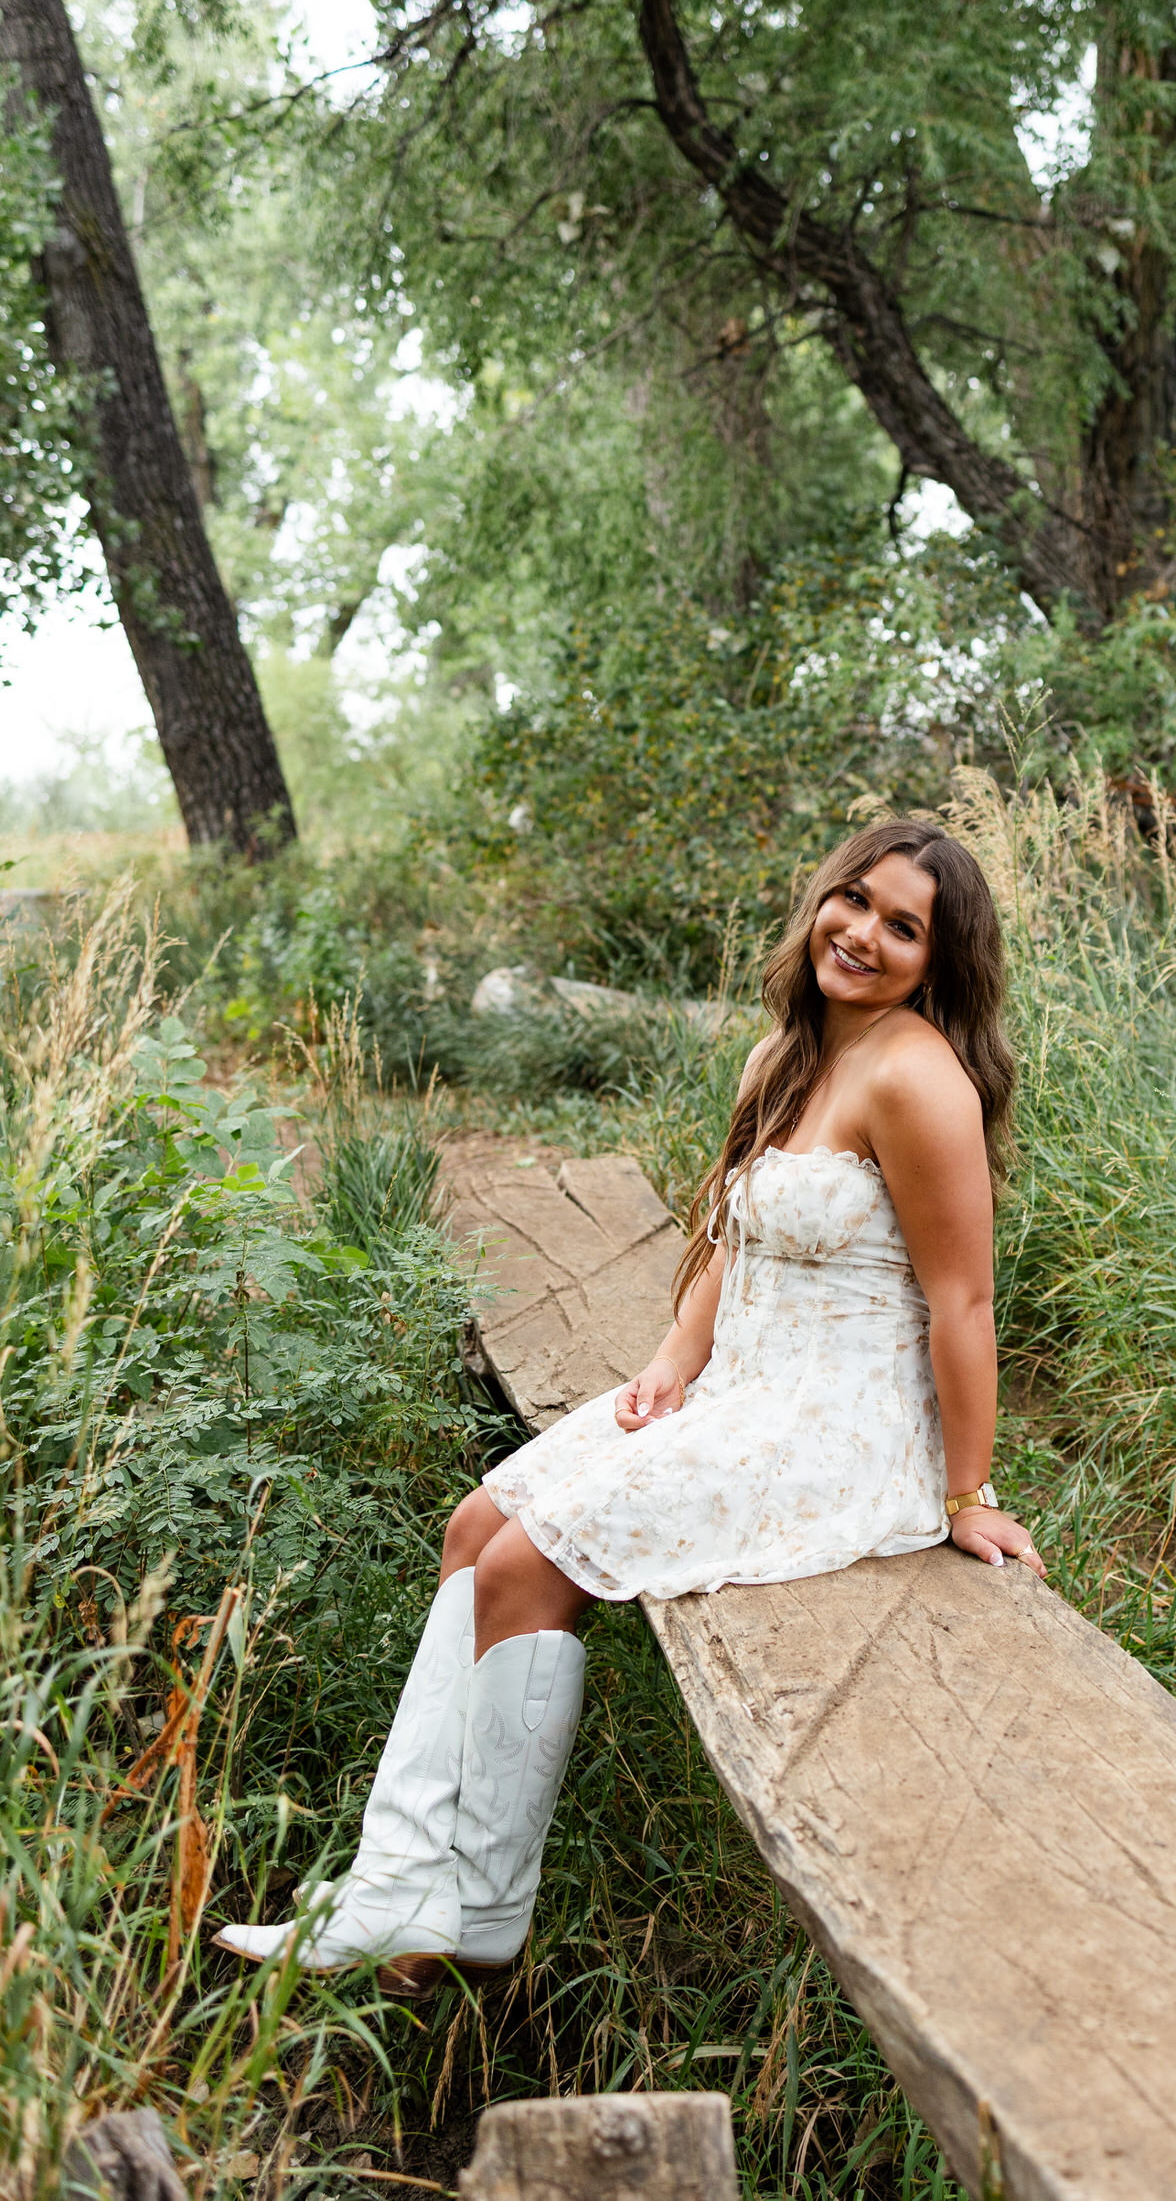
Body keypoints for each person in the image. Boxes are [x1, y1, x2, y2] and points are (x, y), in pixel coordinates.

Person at [214, 818, 1046, 1995]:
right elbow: (730, 1234)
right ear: (823, 897)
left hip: (842, 1432)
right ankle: (394, 1878)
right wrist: (667, 1360)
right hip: (739, 1395)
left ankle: (479, 1922)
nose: (860, 933)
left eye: (900, 926)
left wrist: (965, 1492)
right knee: (471, 1529)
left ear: (936, 960)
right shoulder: (787, 1057)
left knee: (518, 1570)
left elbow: (961, 1302)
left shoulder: (916, 1078)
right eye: (852, 900)